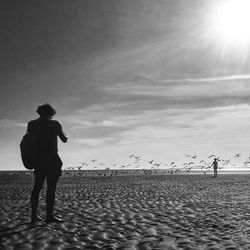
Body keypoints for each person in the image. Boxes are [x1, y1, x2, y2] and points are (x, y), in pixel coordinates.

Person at [28, 104, 68, 223]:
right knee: (51, 189)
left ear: (39, 112)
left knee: (37, 187)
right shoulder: (55, 124)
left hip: (39, 159)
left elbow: (29, 140)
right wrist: (65, 134)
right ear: (51, 113)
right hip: (52, 159)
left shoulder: (32, 124)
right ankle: (49, 216)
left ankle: (33, 216)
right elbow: (64, 139)